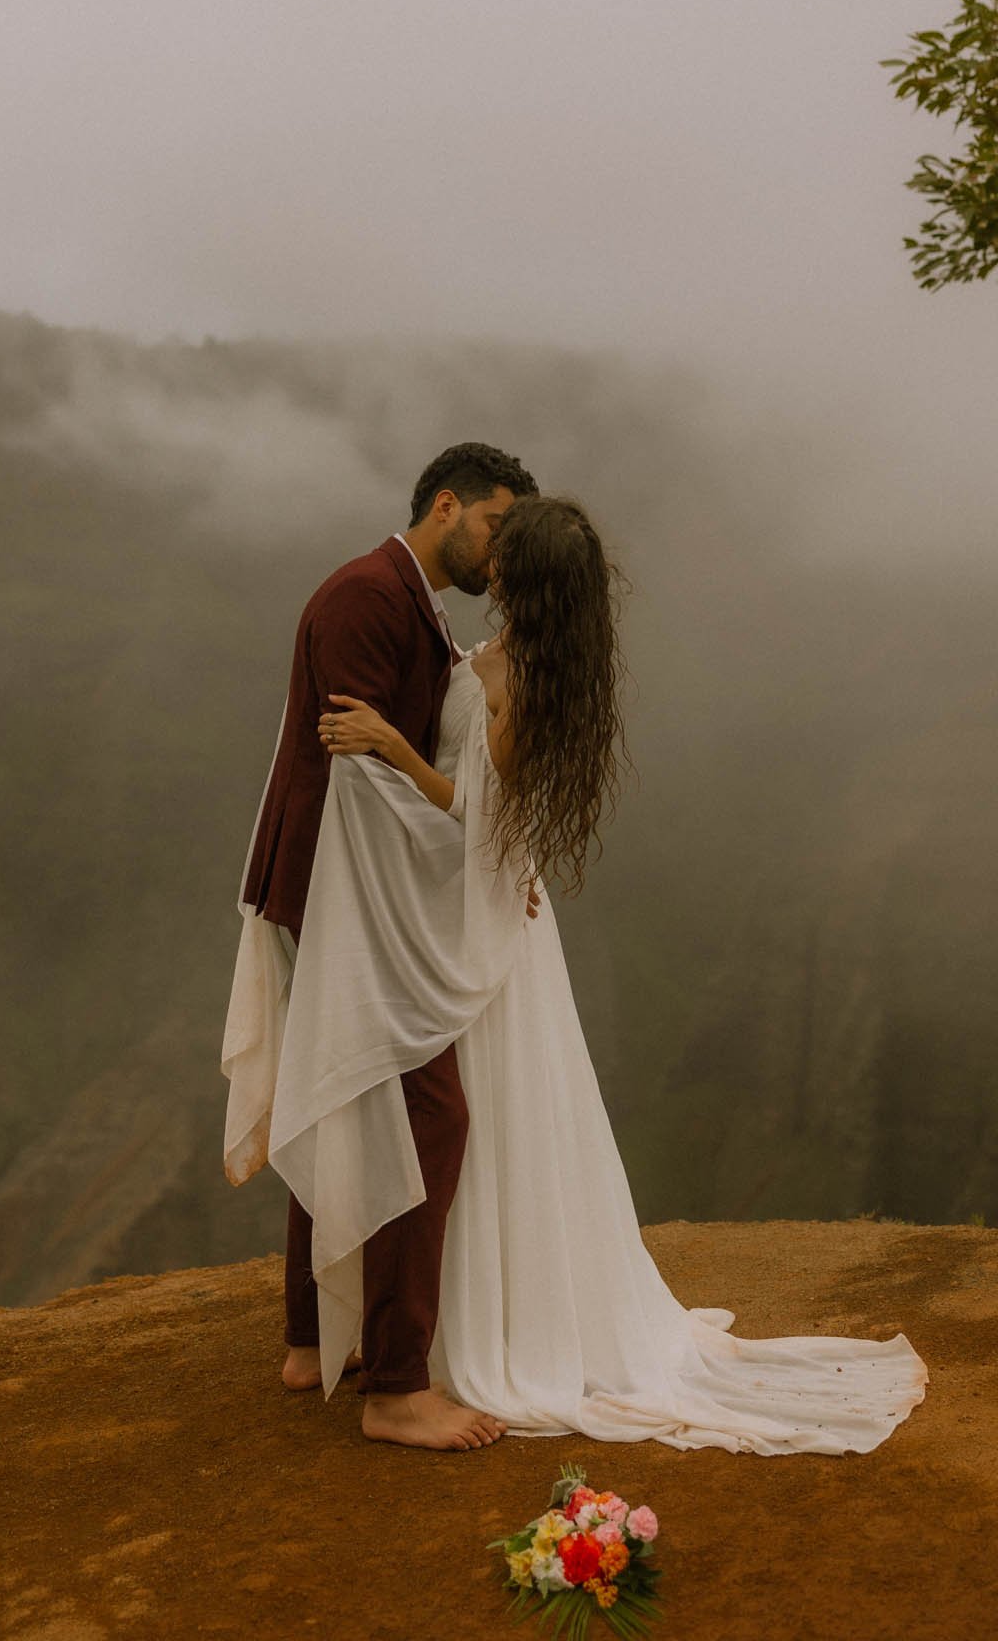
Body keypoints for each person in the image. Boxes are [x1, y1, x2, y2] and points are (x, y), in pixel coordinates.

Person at [295, 492, 929, 1453]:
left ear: (526, 577)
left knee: (483, 1115)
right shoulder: (504, 655)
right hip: (472, 912)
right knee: (458, 1113)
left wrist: (388, 744)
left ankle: (482, 1330)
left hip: (484, 924)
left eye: (505, 553)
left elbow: (481, 821)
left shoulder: (536, 676)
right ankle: (428, 1325)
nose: (488, 559)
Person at [222, 440, 538, 1452]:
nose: (500, 547)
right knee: (428, 1110)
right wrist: (456, 882)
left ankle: (313, 1341)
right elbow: (356, 776)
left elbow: (401, 766)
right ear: (446, 505)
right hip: (339, 888)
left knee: (346, 1082)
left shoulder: (411, 602)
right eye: (494, 523)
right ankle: (397, 1384)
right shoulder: (364, 596)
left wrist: (488, 861)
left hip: (350, 887)